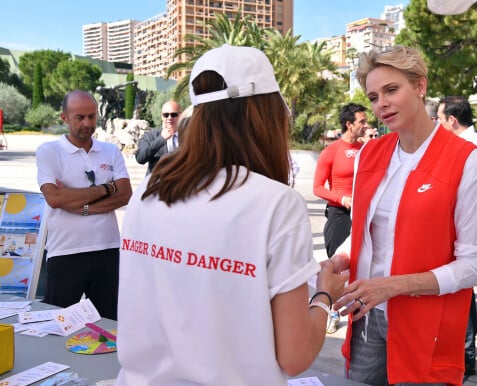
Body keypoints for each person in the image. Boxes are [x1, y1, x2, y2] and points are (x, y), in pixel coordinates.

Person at [115, 44, 349, 386]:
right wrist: (325, 293)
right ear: (265, 115)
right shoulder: (276, 204)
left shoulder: (153, 188)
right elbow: (295, 355)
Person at [331, 46, 477, 386]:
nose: (381, 105)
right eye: (374, 96)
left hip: (425, 322)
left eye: (392, 90)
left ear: (420, 86)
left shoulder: (468, 161)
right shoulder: (369, 155)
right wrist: (338, 260)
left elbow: (473, 265)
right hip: (365, 314)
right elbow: (366, 232)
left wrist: (394, 286)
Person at [35, 90, 132, 320]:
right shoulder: (49, 152)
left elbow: (126, 194)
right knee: (60, 324)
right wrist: (107, 188)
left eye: (92, 116)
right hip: (65, 253)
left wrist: (82, 205)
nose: (87, 123)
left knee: (110, 325)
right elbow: (55, 199)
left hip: (107, 250)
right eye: (80, 117)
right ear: (64, 118)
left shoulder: (110, 151)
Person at [437, 95, 477, 379]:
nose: (437, 123)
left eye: (440, 118)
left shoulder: (470, 149)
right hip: (457, 236)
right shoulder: (470, 144)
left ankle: (466, 357)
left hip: (462, 240)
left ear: (452, 121)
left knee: (464, 299)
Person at [313, 102, 368, 333]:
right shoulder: (332, 151)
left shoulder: (366, 149)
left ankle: (357, 307)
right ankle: (332, 312)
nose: (366, 126)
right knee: (337, 268)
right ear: (349, 124)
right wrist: (342, 199)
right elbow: (317, 187)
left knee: (362, 266)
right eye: (362, 122)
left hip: (363, 213)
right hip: (340, 214)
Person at [134, 100, 182, 174]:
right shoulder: (151, 135)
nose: (169, 118)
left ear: (180, 115)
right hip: (157, 183)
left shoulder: (188, 136)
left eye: (173, 114)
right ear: (162, 116)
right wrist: (161, 139)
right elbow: (140, 158)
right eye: (166, 115)